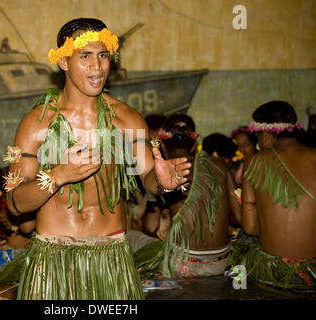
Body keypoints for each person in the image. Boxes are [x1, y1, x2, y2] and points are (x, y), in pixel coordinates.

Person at [2, 18, 191, 300]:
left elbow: (149, 179)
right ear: (64, 62)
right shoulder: (37, 123)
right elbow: (15, 203)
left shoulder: (127, 118)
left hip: (112, 256)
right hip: (52, 258)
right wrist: (58, 176)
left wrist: (163, 182)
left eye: (103, 56)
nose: (97, 66)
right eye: (86, 56)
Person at [133, 113, 241, 278]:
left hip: (183, 264)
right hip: (222, 261)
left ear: (161, 145)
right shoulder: (219, 165)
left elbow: (150, 227)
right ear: (193, 145)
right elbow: (238, 219)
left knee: (130, 237)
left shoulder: (162, 173)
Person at [229, 100, 316, 290]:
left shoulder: (255, 161)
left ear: (266, 135)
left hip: (273, 272)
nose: (258, 143)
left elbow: (250, 228)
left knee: (240, 248)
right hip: (313, 273)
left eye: (257, 137)